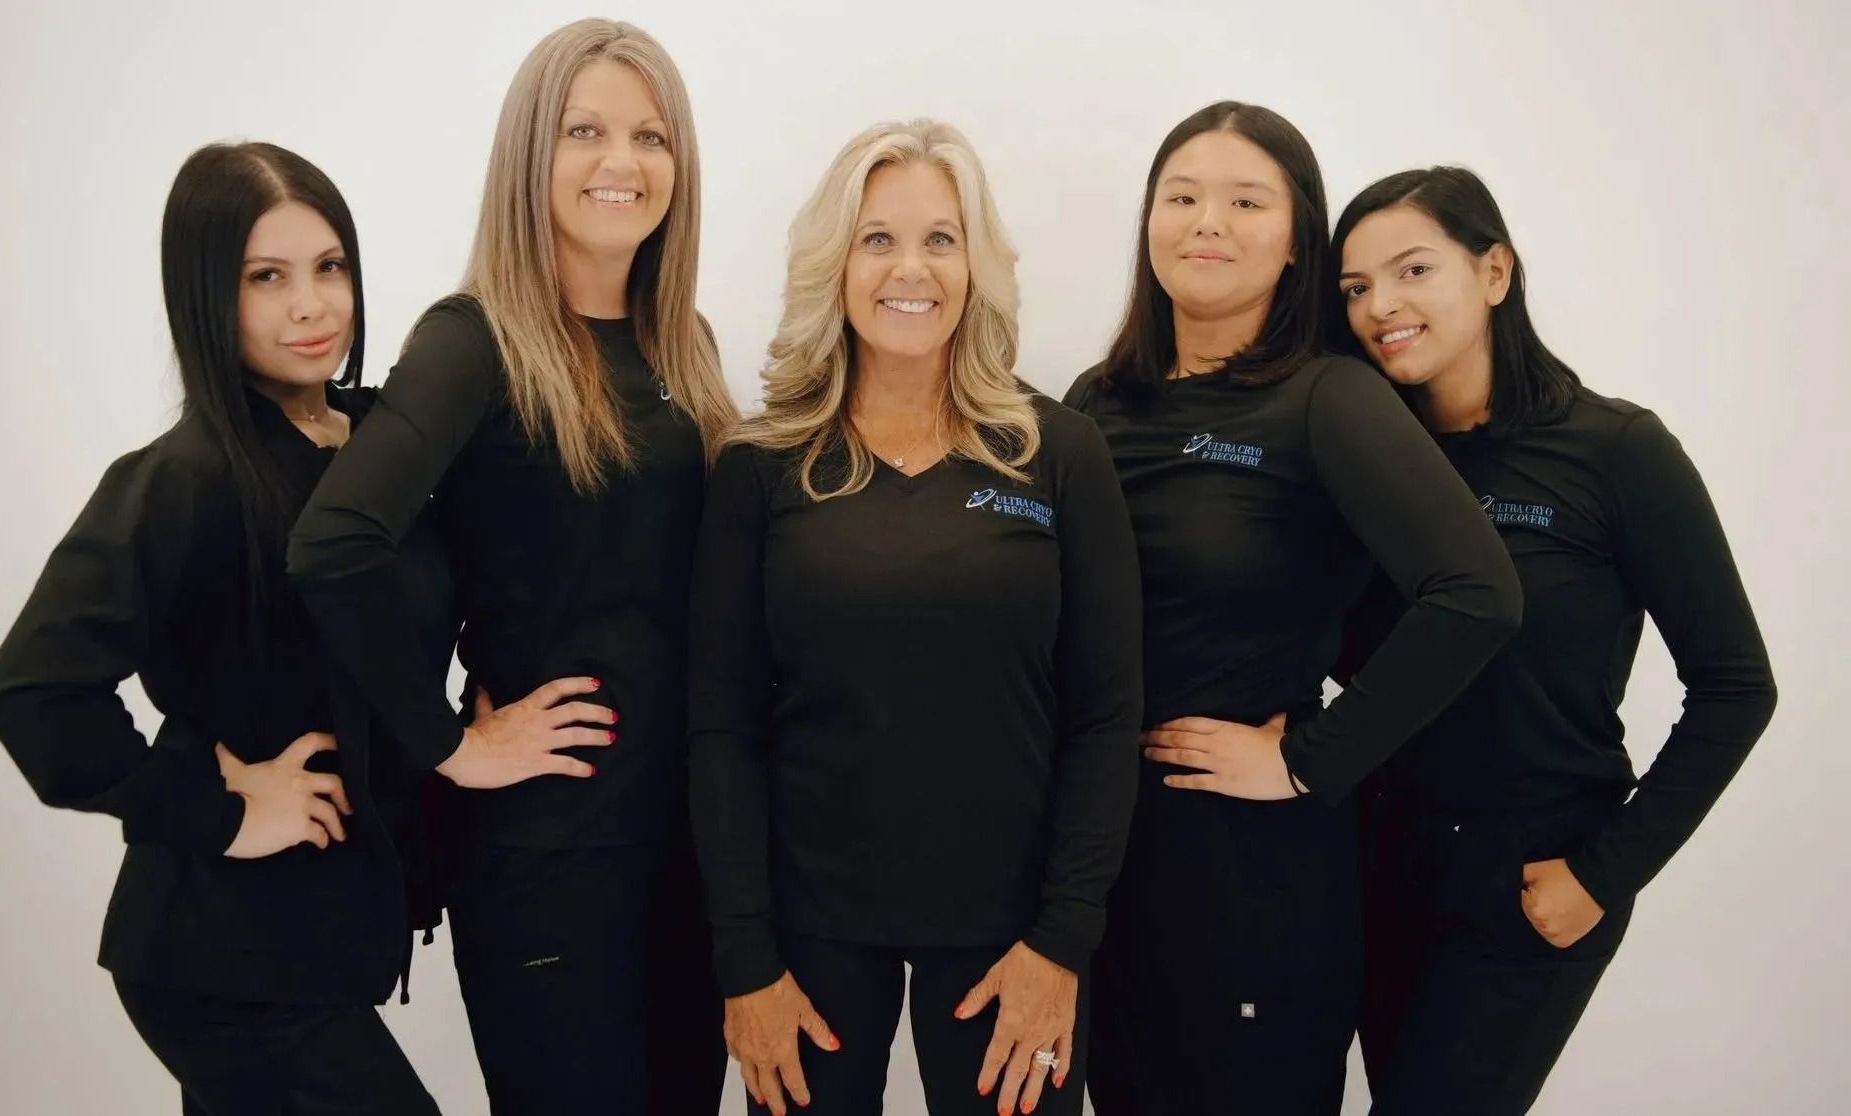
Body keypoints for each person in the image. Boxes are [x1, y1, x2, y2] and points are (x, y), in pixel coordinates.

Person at [285, 18, 736, 1115]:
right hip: (550, 860)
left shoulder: (685, 346)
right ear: (531, 153)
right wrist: (451, 743)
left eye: (650, 135)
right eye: (586, 130)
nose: (621, 163)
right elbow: (333, 547)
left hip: (692, 852)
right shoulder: (473, 341)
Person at [1063, 102, 1523, 1114]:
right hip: (1111, 866)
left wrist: (1308, 755)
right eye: (1181, 197)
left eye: (1244, 201)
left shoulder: (1327, 397)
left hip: (1254, 875)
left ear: (1293, 243)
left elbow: (1478, 594)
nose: (1207, 223)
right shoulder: (1099, 402)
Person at [0, 141, 448, 1115]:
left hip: (313, 942)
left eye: (329, 267)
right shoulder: (186, 479)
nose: (311, 306)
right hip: (222, 954)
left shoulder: (378, 446)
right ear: (206, 295)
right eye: (264, 278)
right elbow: (32, 691)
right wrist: (221, 811)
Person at [688, 118, 1143, 1116]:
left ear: (977, 264)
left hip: (1010, 944)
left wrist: (1063, 942)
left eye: (941, 238)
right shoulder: (761, 466)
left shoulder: (1056, 451)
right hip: (805, 947)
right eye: (877, 237)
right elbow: (722, 728)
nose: (912, 268)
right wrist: (744, 963)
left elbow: (1106, 719)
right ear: (834, 264)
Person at [1332, 165, 1777, 1115]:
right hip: (1370, 861)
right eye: (1357, 289)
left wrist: (1603, 877)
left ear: (1495, 271)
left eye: (1413, 271)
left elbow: (1737, 686)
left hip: (1532, 878)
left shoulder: (1614, 450)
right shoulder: (1361, 453)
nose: (1382, 307)